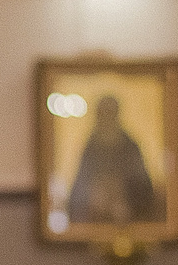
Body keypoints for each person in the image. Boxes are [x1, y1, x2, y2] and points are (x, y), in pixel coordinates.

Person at [66, 94, 162, 226]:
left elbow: (143, 189)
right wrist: (94, 195)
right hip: (94, 220)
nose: (106, 119)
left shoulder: (130, 147)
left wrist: (122, 196)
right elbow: (78, 191)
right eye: (102, 114)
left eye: (109, 113)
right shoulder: (91, 148)